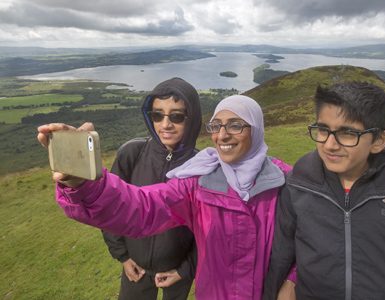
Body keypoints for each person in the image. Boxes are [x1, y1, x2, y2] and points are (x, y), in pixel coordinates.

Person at [37, 95, 296, 300]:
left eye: (236, 125)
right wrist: (83, 183)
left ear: (257, 129)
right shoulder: (197, 183)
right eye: (216, 125)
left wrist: (293, 280)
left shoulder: (287, 182)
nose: (223, 134)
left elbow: (313, 238)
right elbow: (141, 207)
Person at [264, 82, 385, 299]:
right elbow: (280, 258)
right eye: (322, 129)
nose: (329, 145)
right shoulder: (298, 185)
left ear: (379, 140)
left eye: (347, 133)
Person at [102, 78, 200, 300]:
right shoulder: (132, 154)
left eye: (176, 116)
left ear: (191, 119)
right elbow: (111, 210)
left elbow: (207, 229)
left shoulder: (201, 167)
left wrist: (185, 270)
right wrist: (123, 257)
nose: (165, 124)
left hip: (177, 272)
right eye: (157, 115)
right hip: (135, 267)